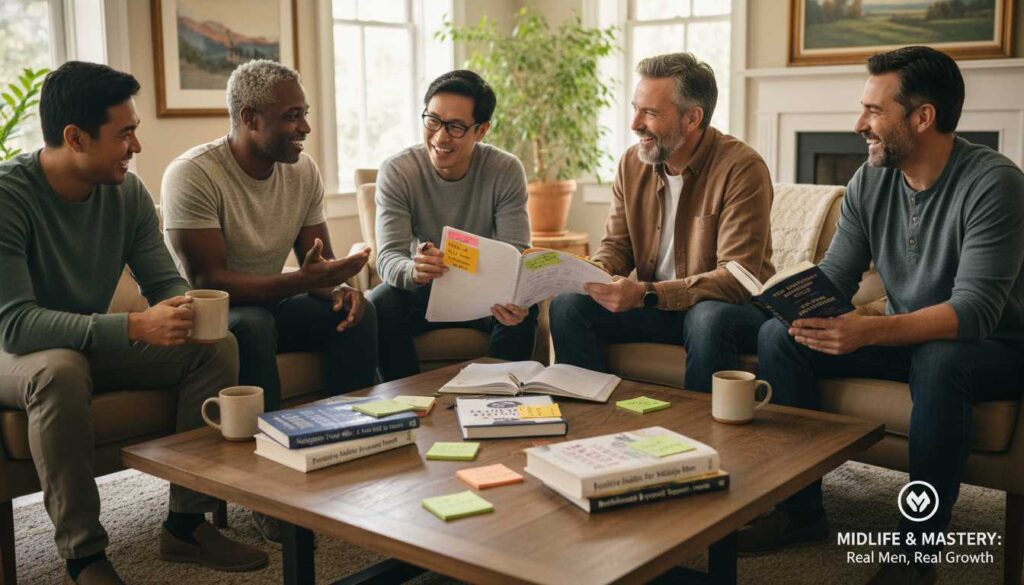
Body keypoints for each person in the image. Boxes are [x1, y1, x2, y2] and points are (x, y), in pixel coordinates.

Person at [743, 46, 1024, 585]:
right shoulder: (870, 181)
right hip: (905, 339)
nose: (859, 125)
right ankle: (801, 515)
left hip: (993, 350)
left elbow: (975, 313)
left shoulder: (994, 183)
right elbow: (837, 276)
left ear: (923, 117)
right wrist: (789, 302)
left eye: (874, 111)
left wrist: (867, 330)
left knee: (941, 360)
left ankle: (915, 555)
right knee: (779, 339)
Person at [0, 61, 266, 585]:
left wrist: (186, 310)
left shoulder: (127, 193)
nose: (136, 146)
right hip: (14, 350)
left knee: (215, 345)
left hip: (83, 344)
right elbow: (17, 325)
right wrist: (132, 327)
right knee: (60, 369)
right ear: (75, 138)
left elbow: (164, 282)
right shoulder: (9, 196)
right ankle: (84, 556)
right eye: (124, 134)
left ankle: (186, 524)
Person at [162, 59, 376, 543]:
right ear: (249, 118)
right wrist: (304, 280)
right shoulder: (193, 174)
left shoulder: (301, 171)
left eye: (304, 113)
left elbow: (316, 263)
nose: (305, 128)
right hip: (211, 314)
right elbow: (209, 281)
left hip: (273, 299)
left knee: (359, 314)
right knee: (254, 324)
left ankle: (352, 452)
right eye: (291, 116)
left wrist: (340, 288)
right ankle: (272, 490)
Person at [548, 53, 774, 392]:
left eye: (650, 113)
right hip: (658, 308)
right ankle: (590, 412)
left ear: (692, 118)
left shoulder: (741, 168)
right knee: (568, 305)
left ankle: (701, 424)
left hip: (728, 311)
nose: (635, 124)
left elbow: (736, 278)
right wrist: (591, 274)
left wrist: (646, 294)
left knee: (707, 317)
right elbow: (616, 247)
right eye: (635, 109)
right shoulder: (631, 163)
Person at [369, 70, 537, 382]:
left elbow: (517, 252)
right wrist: (414, 270)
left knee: (524, 308)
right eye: (432, 120)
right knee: (381, 301)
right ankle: (406, 399)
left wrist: (515, 293)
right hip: (425, 290)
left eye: (456, 127)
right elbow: (389, 257)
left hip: (486, 294)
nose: (440, 137)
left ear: (481, 130)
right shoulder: (398, 171)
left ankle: (498, 395)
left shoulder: (505, 170)